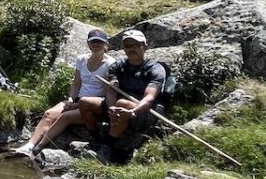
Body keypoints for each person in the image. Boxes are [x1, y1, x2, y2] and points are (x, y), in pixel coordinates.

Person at [12, 28, 113, 158]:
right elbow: (77, 83)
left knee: (65, 117)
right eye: (93, 42)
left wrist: (78, 105)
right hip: (77, 100)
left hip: (92, 105)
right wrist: (71, 99)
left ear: (106, 44)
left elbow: (106, 93)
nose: (96, 45)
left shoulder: (110, 64)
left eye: (99, 42)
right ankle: (29, 145)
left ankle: (38, 148)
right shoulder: (81, 59)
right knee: (49, 114)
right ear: (88, 43)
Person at [79, 29, 166, 162]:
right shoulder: (117, 66)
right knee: (85, 102)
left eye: (136, 45)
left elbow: (149, 98)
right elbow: (112, 89)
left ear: (145, 47)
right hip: (119, 105)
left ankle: (108, 146)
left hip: (144, 111)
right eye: (127, 46)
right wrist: (110, 108)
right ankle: (97, 140)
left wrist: (131, 112)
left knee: (123, 104)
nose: (131, 49)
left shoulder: (155, 69)